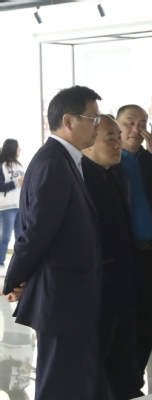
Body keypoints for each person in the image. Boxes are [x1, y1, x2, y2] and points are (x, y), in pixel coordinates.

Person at [2, 85, 103, 400]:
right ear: (69, 121)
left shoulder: (65, 160)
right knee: (58, 385)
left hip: (70, 294)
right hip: (61, 297)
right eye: (94, 119)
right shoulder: (53, 163)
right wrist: (14, 279)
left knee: (71, 380)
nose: (98, 126)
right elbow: (36, 233)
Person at [81, 115, 144, 399]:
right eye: (110, 138)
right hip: (97, 288)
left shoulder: (116, 175)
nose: (118, 144)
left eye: (118, 137)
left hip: (124, 283)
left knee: (124, 356)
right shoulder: (78, 178)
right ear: (88, 142)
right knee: (97, 360)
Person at [115, 104, 152, 378]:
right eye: (130, 122)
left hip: (150, 254)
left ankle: (136, 376)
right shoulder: (110, 161)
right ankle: (121, 381)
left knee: (146, 319)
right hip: (120, 256)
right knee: (123, 319)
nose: (137, 129)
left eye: (143, 122)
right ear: (116, 126)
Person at [0, 139, 26, 268]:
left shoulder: (20, 165)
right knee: (5, 237)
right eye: (18, 147)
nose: (20, 149)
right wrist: (16, 182)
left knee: (20, 237)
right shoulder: (2, 165)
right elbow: (1, 186)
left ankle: (18, 263)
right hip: (7, 206)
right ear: (12, 148)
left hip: (20, 205)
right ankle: (0, 262)